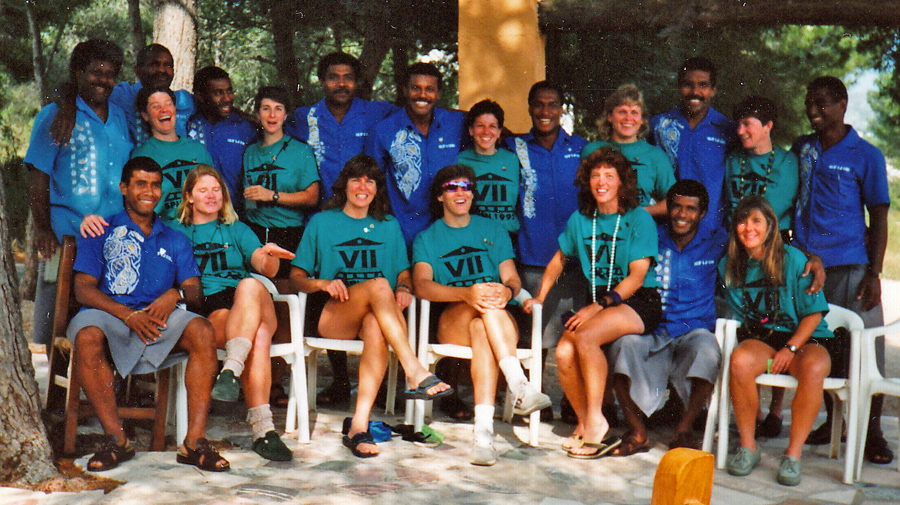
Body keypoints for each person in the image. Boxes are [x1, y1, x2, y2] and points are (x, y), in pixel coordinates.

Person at [68, 156, 227, 472]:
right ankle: (117, 440)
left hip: (158, 320)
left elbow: (194, 290)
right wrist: (127, 315)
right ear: (124, 187)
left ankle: (193, 443)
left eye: (156, 185)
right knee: (87, 336)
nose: (150, 191)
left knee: (202, 330)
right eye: (141, 183)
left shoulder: (175, 238)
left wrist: (175, 293)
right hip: (109, 314)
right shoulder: (100, 229)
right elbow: (83, 289)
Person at [290, 154, 453, 458]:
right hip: (335, 315)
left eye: (370, 181)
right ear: (344, 185)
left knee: (377, 323)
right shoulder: (322, 223)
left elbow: (403, 272)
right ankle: (414, 369)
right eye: (356, 179)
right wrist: (321, 284)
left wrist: (404, 286)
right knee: (380, 284)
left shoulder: (388, 226)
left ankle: (359, 425)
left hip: (375, 316)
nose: (362, 186)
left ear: (378, 188)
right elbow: (296, 276)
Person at [524, 146, 661, 458]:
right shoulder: (581, 219)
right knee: (562, 351)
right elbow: (558, 260)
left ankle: (597, 420)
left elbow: (637, 276)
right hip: (601, 303)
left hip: (637, 302)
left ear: (622, 183)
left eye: (609, 176)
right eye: (595, 175)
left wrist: (598, 305)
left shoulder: (639, 219)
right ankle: (586, 420)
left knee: (585, 335)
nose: (601, 181)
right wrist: (539, 297)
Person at [412, 164, 549, 466]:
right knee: (481, 312)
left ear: (473, 193)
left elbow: (512, 280)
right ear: (440, 196)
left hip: (493, 320)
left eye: (466, 187)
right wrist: (466, 293)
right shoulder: (427, 238)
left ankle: (483, 434)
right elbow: (421, 286)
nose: (460, 192)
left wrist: (507, 292)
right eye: (452, 187)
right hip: (453, 317)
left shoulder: (493, 230)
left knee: (482, 326)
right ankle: (518, 384)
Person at [792, 76, 893, 464]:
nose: (813, 111)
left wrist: (874, 272)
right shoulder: (803, 148)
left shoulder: (865, 154)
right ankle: (832, 422)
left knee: (867, 350)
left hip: (850, 266)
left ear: (843, 104)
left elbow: (879, 215)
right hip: (806, 267)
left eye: (822, 104)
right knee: (824, 349)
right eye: (809, 103)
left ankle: (872, 433)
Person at [170, 165, 297, 461]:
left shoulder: (236, 228)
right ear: (189, 196)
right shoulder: (176, 231)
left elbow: (262, 264)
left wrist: (270, 257)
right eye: (203, 190)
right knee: (260, 333)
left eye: (216, 190)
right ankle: (264, 431)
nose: (211, 195)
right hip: (209, 306)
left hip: (244, 299)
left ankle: (230, 370)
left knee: (251, 285)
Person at [720, 196, 835, 486]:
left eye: (756, 221)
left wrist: (791, 348)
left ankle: (793, 455)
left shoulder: (794, 259)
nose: (748, 228)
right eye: (742, 221)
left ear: (771, 226)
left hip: (805, 338)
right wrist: (774, 350)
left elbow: (814, 314)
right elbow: (744, 316)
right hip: (765, 337)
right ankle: (748, 447)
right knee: (740, 360)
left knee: (814, 366)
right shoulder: (731, 265)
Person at [26, 39, 133, 348]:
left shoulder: (120, 117)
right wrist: (43, 227)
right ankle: (57, 394)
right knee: (57, 323)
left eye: (110, 74)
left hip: (112, 238)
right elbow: (38, 174)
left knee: (102, 320)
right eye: (95, 72)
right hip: (66, 233)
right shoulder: (56, 115)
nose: (103, 80)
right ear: (77, 73)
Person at [607, 180, 723, 452]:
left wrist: (810, 258)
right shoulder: (651, 237)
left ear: (703, 213)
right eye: (677, 207)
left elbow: (764, 245)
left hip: (693, 330)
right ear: (667, 208)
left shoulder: (717, 240)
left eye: (691, 209)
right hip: (653, 329)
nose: (682, 215)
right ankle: (637, 431)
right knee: (622, 346)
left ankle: (684, 429)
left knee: (708, 350)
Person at [506, 81, 588, 423]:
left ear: (561, 109)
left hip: (575, 258)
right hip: (532, 253)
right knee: (533, 339)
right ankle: (531, 403)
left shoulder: (580, 148)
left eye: (552, 104)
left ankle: (573, 402)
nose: (545, 111)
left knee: (575, 333)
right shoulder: (515, 148)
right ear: (529, 108)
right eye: (538, 104)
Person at [366, 61, 466, 247]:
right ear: (404, 90)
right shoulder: (383, 131)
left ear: (438, 93)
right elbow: (371, 183)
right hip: (403, 236)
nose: (422, 95)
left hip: (449, 235)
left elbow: (487, 127)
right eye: (415, 88)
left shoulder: (456, 123)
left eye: (429, 89)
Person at [286, 51, 397, 202]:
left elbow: (413, 117)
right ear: (321, 81)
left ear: (357, 82)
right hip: (321, 213)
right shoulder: (304, 117)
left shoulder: (377, 112)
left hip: (365, 212)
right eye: (333, 77)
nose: (342, 84)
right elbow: (272, 128)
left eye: (348, 78)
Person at [49, 43, 195, 147]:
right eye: (154, 64)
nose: (162, 70)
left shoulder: (184, 100)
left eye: (168, 65)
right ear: (138, 70)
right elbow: (66, 87)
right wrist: (67, 107)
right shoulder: (123, 95)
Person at [650, 56, 736, 233]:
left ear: (713, 90)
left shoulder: (728, 130)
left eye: (703, 85)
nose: (695, 91)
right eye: (688, 84)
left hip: (710, 234)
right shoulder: (659, 126)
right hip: (664, 231)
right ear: (679, 87)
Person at [242, 85, 320, 278]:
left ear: (286, 115)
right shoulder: (250, 151)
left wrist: (272, 196)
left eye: (278, 109)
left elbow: (312, 197)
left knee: (285, 296)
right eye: (265, 108)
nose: (272, 115)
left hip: (288, 233)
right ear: (258, 114)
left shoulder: (301, 151)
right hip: (255, 232)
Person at [582, 84, 675, 219]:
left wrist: (640, 213)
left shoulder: (655, 156)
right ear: (609, 116)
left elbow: (673, 201)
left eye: (634, 112)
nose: (628, 118)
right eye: (622, 111)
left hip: (640, 232)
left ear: (642, 120)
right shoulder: (592, 151)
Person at [125, 85, 213, 223]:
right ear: (145, 116)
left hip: (202, 231)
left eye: (168, 104)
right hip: (164, 235)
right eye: (156, 106)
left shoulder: (198, 150)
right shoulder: (140, 156)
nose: (164, 110)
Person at [187, 66, 257, 214]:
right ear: (200, 96)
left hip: (236, 218)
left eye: (229, 91)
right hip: (198, 217)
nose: (227, 98)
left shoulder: (245, 128)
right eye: (219, 93)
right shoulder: (188, 126)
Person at [724, 96, 798, 233]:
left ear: (767, 126)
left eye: (747, 124)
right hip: (735, 239)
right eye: (738, 124)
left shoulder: (787, 162)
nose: (740, 131)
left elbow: (776, 210)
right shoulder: (732, 159)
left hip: (772, 240)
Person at [457, 99, 520, 235]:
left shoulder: (513, 160)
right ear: (471, 130)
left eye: (492, 126)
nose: (486, 132)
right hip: (474, 236)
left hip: (508, 236)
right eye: (480, 125)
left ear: (499, 132)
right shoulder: (459, 161)